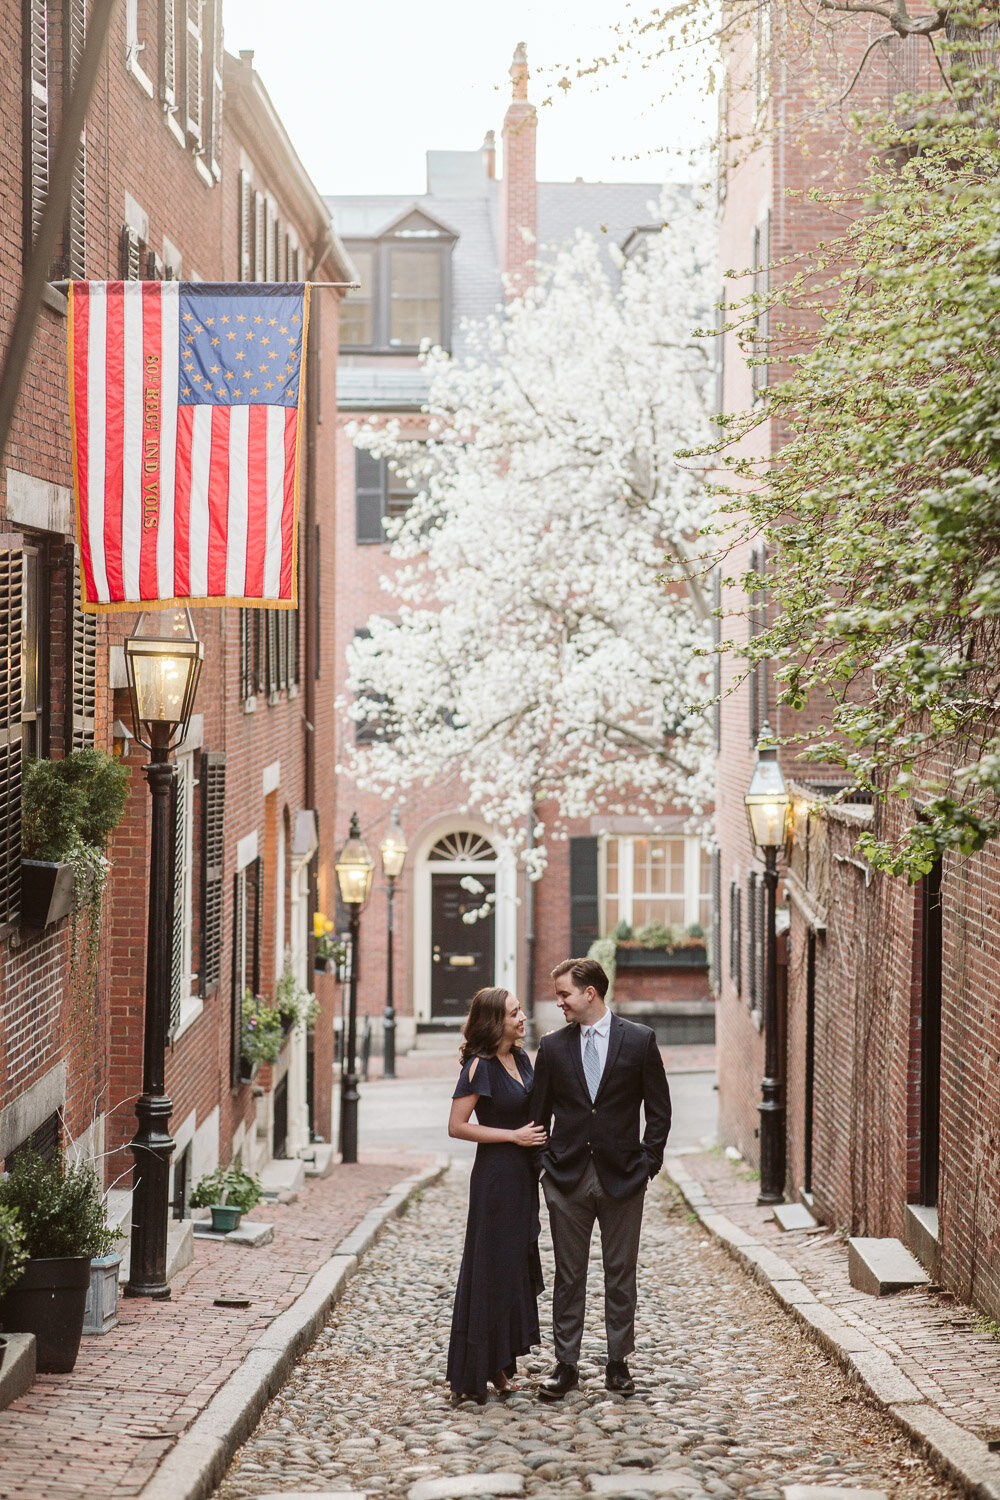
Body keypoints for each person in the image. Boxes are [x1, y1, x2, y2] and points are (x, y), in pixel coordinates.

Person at [529, 956, 671, 1400]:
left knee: (619, 1272)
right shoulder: (552, 1048)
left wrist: (648, 1163)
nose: (560, 1004)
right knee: (568, 1276)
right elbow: (538, 1117)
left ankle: (618, 1362)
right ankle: (565, 1364)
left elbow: (659, 1110)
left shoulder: (640, 1040)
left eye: (565, 994)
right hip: (567, 1179)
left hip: (623, 1178)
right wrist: (544, 1169)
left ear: (590, 993)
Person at [446, 986, 547, 1401]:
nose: (522, 1017)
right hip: (496, 1179)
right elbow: (457, 1125)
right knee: (491, 1268)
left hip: (522, 1175)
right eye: (512, 1013)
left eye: (520, 1010)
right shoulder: (479, 1067)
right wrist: (512, 1137)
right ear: (494, 1022)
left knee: (514, 1268)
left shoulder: (520, 1058)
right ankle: (476, 1372)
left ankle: (503, 1367)